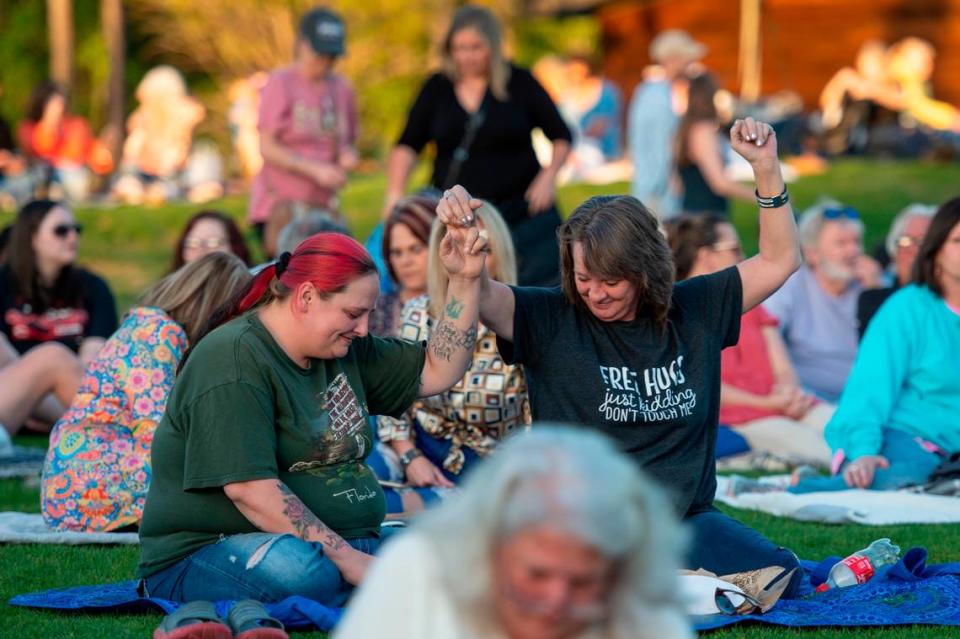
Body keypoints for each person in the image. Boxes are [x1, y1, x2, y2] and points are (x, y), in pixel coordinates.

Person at [438, 116, 805, 597]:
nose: (595, 293)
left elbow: (780, 259)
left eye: (611, 280)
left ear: (646, 268)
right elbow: (483, 295)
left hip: (681, 522)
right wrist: (466, 267)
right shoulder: (551, 317)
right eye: (583, 277)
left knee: (782, 575)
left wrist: (766, 168)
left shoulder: (696, 309)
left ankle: (659, 583)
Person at [137, 228, 489, 604]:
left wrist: (464, 280)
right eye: (353, 314)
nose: (364, 329)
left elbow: (438, 369)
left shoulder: (343, 347)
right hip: (209, 550)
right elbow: (250, 490)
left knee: (450, 553)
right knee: (306, 573)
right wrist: (352, 562)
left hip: (339, 541)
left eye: (368, 315)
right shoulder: (233, 357)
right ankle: (371, 585)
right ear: (306, 297)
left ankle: (375, 583)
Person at [335, 428, 692, 639]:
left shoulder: (641, 607)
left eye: (584, 582)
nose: (556, 600)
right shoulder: (417, 571)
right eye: (537, 574)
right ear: (491, 548)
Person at [40, 252, 252, 532]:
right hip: (88, 481)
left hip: (72, 483)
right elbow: (158, 434)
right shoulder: (158, 334)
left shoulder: (149, 327)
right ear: (216, 306)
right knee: (233, 500)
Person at [384, 4, 572, 287]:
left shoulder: (518, 81)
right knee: (466, 287)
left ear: (493, 46)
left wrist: (548, 177)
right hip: (463, 218)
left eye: (476, 47)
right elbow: (407, 145)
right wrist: (394, 195)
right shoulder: (437, 88)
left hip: (523, 212)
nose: (467, 56)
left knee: (539, 288)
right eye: (459, 48)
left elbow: (561, 135)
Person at [782, 199, 960, 494]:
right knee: (901, 477)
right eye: (957, 240)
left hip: (952, 444)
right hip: (909, 435)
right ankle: (804, 488)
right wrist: (863, 451)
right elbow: (869, 388)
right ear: (937, 249)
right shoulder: (907, 308)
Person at [376, 202, 530, 510]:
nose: (470, 257)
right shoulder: (419, 311)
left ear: (499, 251)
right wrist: (409, 455)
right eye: (458, 246)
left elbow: (537, 425)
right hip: (421, 447)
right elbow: (395, 396)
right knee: (355, 485)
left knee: (398, 511)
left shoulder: (524, 320)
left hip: (492, 468)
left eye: (480, 246)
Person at [667, 214, 833, 468]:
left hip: (786, 405)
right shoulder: (681, 310)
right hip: (741, 419)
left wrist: (790, 394)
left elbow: (782, 366)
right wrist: (767, 404)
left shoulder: (749, 301)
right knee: (824, 452)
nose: (743, 256)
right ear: (706, 257)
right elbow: (699, 387)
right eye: (734, 249)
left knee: (848, 427)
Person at [248, 8, 359, 257]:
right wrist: (315, 170)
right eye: (319, 54)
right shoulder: (281, 82)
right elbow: (267, 146)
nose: (325, 62)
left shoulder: (342, 88)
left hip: (323, 206)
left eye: (332, 56)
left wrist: (347, 157)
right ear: (301, 44)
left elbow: (347, 142)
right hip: (281, 206)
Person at [763, 201, 883, 402]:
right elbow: (764, 333)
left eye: (856, 242)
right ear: (812, 253)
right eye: (841, 243)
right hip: (811, 400)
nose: (853, 251)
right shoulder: (790, 287)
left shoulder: (872, 285)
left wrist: (876, 296)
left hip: (871, 400)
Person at [0, 200, 117, 362]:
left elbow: (95, 352)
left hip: (73, 382)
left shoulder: (93, 287)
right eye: (61, 231)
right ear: (32, 237)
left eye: (76, 229)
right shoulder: (4, 283)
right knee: (54, 356)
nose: (73, 237)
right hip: (13, 381)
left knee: (57, 358)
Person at [628, 30, 705, 219]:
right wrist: (669, 179)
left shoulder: (654, 91)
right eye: (688, 59)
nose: (691, 64)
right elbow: (658, 145)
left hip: (652, 184)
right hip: (656, 189)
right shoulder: (656, 96)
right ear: (673, 59)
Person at [112, 66, 212, 205]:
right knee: (128, 185)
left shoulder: (185, 117)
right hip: (144, 172)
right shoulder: (141, 120)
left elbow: (179, 157)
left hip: (174, 175)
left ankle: (159, 193)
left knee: (163, 189)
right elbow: (131, 155)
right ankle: (142, 193)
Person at [675, 73, 755, 217]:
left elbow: (676, 185)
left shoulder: (685, 128)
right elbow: (719, 183)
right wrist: (767, 198)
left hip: (691, 211)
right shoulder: (703, 131)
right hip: (707, 217)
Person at [17, 82, 112, 202]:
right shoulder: (28, 127)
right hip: (43, 172)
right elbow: (40, 150)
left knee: (75, 178)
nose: (59, 108)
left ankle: (58, 194)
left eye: (60, 104)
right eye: (53, 104)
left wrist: (102, 156)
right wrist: (49, 124)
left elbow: (91, 153)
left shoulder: (77, 125)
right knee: (38, 175)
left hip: (72, 172)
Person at [858, 203, 935, 337]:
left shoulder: (947, 298)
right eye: (905, 240)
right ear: (894, 249)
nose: (913, 249)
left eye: (922, 241)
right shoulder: (874, 296)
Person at [369, 195, 437, 337]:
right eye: (397, 252)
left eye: (415, 249)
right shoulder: (374, 312)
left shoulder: (465, 307)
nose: (405, 261)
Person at [171, 210, 252, 271]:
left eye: (214, 243)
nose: (201, 251)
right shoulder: (167, 290)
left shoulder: (257, 288)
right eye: (193, 243)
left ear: (234, 247)